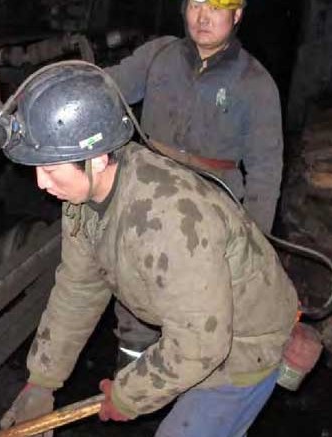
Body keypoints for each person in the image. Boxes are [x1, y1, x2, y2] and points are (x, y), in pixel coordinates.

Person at [0, 62, 297, 436]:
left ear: (97, 158)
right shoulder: (82, 196)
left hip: (244, 342)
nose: (41, 184)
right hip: (199, 323)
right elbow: (78, 287)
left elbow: (200, 344)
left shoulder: (168, 220)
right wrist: (41, 381)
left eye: (52, 171)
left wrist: (129, 395)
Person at [103, 0, 285, 366]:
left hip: (209, 217)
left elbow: (265, 171)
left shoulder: (255, 83)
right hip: (146, 204)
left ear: (237, 15)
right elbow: (109, 85)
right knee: (135, 303)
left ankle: (186, 394)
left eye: (218, 7)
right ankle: (132, 385)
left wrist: (253, 244)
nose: (203, 17)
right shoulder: (159, 56)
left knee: (195, 311)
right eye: (196, 3)